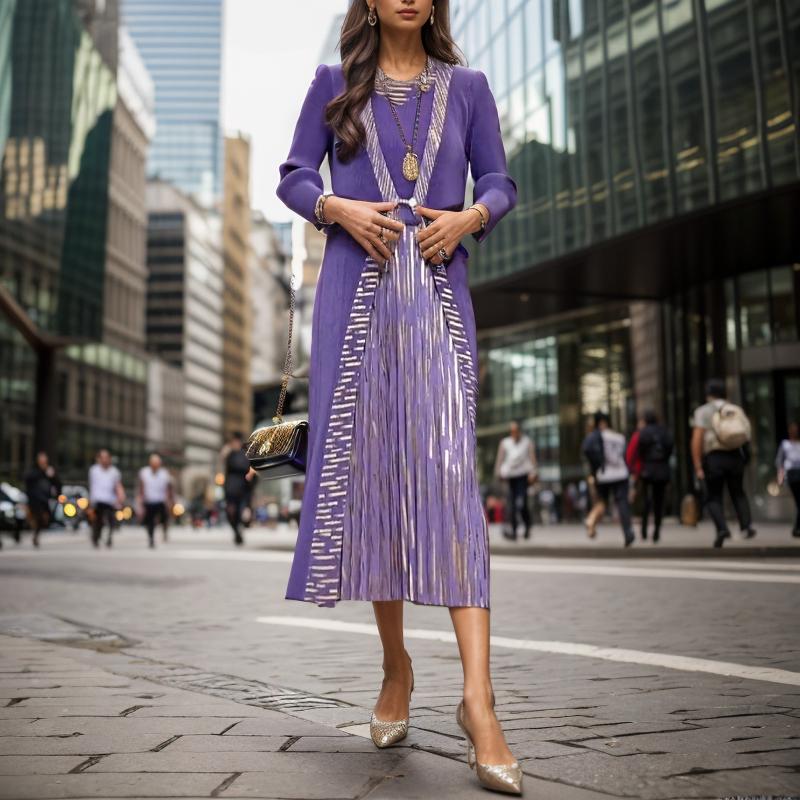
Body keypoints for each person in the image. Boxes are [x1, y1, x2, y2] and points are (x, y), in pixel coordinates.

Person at [276, 1, 520, 794]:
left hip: (442, 304)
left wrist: (470, 217)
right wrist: (335, 208)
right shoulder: (331, 83)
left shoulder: (471, 87)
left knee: (452, 487)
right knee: (376, 485)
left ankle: (479, 704)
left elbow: (500, 180)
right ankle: (396, 668)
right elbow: (293, 176)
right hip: (354, 300)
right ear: (372, 2)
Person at [691, 378, 755, 548]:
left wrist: (697, 465)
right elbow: (747, 433)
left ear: (708, 394)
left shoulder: (703, 412)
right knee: (738, 492)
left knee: (713, 496)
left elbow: (697, 439)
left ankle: (722, 528)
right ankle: (746, 526)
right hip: (735, 455)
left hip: (714, 457)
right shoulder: (734, 409)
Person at [583, 412, 635, 546]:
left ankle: (591, 519)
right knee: (622, 502)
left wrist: (596, 467)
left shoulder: (597, 436)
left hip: (604, 474)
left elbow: (586, 449)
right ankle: (627, 531)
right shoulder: (619, 437)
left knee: (602, 502)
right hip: (621, 473)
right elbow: (626, 456)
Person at [493, 421, 537, 540]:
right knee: (511, 504)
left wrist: (534, 473)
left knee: (522, 503)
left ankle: (527, 526)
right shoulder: (505, 443)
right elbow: (500, 459)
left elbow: (532, 459)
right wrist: (498, 474)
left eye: (516, 430)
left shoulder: (527, 442)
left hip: (523, 476)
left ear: (519, 431)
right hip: (510, 476)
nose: (514, 433)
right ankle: (514, 531)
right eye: (512, 431)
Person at [637, 410, 673, 543]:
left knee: (646, 501)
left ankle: (644, 530)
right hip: (662, 469)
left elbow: (640, 451)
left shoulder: (644, 432)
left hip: (648, 469)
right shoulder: (664, 431)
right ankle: (657, 530)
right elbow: (670, 447)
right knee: (659, 501)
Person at [88, 449, 125, 548]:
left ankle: (109, 538)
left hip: (110, 500)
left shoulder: (114, 472)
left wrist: (120, 496)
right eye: (102, 458)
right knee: (98, 521)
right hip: (98, 500)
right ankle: (96, 537)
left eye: (106, 458)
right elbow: (92, 486)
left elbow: (118, 486)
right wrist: (91, 503)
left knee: (111, 520)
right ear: (99, 459)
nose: (104, 460)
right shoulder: (93, 470)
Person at [23, 452, 61, 548]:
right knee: (38, 516)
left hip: (45, 499)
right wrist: (43, 471)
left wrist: (52, 476)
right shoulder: (34, 471)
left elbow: (57, 483)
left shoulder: (50, 471)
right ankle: (33, 530)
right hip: (34, 499)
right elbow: (27, 479)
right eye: (41, 460)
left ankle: (35, 531)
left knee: (45, 519)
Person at [137, 453, 174, 548]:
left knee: (164, 518)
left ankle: (165, 532)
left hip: (161, 500)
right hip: (149, 500)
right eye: (154, 462)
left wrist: (169, 500)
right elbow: (141, 487)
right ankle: (151, 538)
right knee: (150, 521)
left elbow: (168, 488)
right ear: (150, 463)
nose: (156, 464)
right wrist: (140, 501)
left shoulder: (164, 473)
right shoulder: (144, 472)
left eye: (157, 463)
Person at [223, 432, 254, 547]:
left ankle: (239, 530)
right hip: (231, 489)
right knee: (231, 514)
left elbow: (247, 468)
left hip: (243, 488)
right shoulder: (229, 454)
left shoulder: (244, 454)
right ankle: (237, 532)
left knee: (242, 512)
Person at [776, 421, 800, 537]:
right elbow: (780, 462)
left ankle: (796, 528)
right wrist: (780, 477)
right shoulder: (785, 444)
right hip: (792, 474)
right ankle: (796, 528)